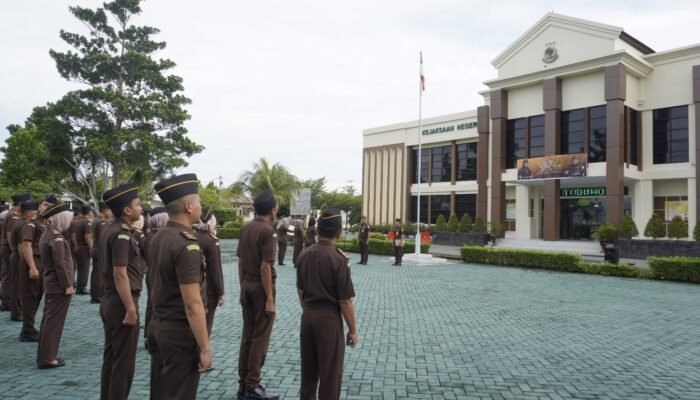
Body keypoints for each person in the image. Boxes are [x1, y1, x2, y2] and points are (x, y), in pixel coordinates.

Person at [146, 174, 210, 400]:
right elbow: (193, 304)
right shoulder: (186, 244)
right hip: (179, 333)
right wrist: (204, 347)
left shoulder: (159, 237)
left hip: (158, 325)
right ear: (188, 206)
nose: (201, 206)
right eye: (199, 202)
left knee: (161, 392)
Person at [296, 208, 357, 400]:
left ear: (318, 231)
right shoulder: (338, 260)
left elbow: (300, 291)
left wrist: (308, 310)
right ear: (338, 233)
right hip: (329, 320)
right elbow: (345, 301)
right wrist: (352, 330)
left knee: (308, 373)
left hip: (308, 317)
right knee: (330, 375)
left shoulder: (304, 255)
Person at [98, 183, 144, 400]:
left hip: (110, 299)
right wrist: (130, 308)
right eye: (137, 204)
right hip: (121, 302)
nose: (140, 207)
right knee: (124, 363)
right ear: (127, 210)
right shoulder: (122, 235)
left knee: (112, 357)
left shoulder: (110, 228)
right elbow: (120, 274)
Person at [236, 189, 279, 399]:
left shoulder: (246, 228)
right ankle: (253, 385)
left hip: (247, 285)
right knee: (260, 338)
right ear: (272, 209)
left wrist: (242, 287)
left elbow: (241, 261)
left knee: (248, 336)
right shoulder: (268, 231)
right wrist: (270, 299)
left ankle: (243, 384)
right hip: (262, 288)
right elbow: (265, 267)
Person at [36, 203, 74, 369]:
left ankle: (45, 355)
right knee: (54, 322)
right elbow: (61, 264)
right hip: (58, 285)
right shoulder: (56, 238)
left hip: (51, 282)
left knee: (48, 320)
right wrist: (67, 285)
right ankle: (48, 358)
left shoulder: (48, 234)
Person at [16, 201, 44, 342]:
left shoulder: (39, 223)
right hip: (32, 262)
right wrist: (32, 266)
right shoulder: (30, 224)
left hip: (39, 262)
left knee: (36, 296)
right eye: (35, 210)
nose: (38, 211)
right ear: (28, 212)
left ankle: (29, 327)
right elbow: (26, 246)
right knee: (29, 297)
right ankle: (27, 331)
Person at [196, 206, 224, 337]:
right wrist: (220, 292)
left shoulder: (192, 237)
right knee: (205, 326)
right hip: (208, 290)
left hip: (193, 287)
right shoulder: (211, 241)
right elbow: (215, 269)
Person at [5, 193, 29, 321]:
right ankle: (14, 309)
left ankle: (15, 307)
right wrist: (14, 251)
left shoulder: (16, 216)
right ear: (20, 204)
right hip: (13, 251)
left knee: (14, 281)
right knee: (14, 282)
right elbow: (10, 236)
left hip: (14, 251)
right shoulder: (14, 217)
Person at [91, 202, 112, 304]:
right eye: (109, 210)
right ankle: (97, 295)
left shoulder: (97, 220)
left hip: (97, 249)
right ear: (105, 211)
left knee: (96, 272)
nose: (111, 213)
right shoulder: (101, 222)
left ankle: (96, 294)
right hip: (99, 249)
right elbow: (104, 237)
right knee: (98, 274)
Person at [73, 204, 93, 295]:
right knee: (84, 269)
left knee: (80, 268)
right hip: (84, 247)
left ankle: (79, 286)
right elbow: (87, 237)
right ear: (89, 212)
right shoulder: (86, 222)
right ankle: (81, 287)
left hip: (78, 246)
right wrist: (90, 248)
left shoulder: (78, 221)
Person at [0, 203, 11, 311]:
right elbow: (9, 235)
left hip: (3, 247)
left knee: (4, 274)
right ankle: (5, 301)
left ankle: (4, 296)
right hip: (6, 248)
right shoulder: (5, 222)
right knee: (7, 275)